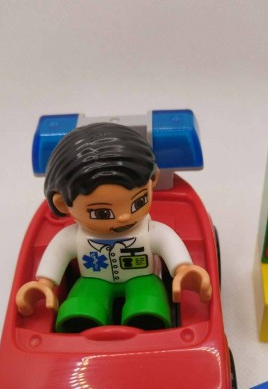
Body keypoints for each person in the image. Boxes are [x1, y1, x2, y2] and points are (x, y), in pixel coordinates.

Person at [16, 122, 211, 332]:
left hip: (142, 279)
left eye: (138, 202)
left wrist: (183, 269)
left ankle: (146, 324)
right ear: (63, 204)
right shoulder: (72, 238)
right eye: (102, 213)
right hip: (93, 281)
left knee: (148, 304)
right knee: (81, 306)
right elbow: (57, 254)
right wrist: (44, 284)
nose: (124, 217)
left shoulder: (150, 232)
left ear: (153, 180)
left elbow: (168, 242)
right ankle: (82, 326)